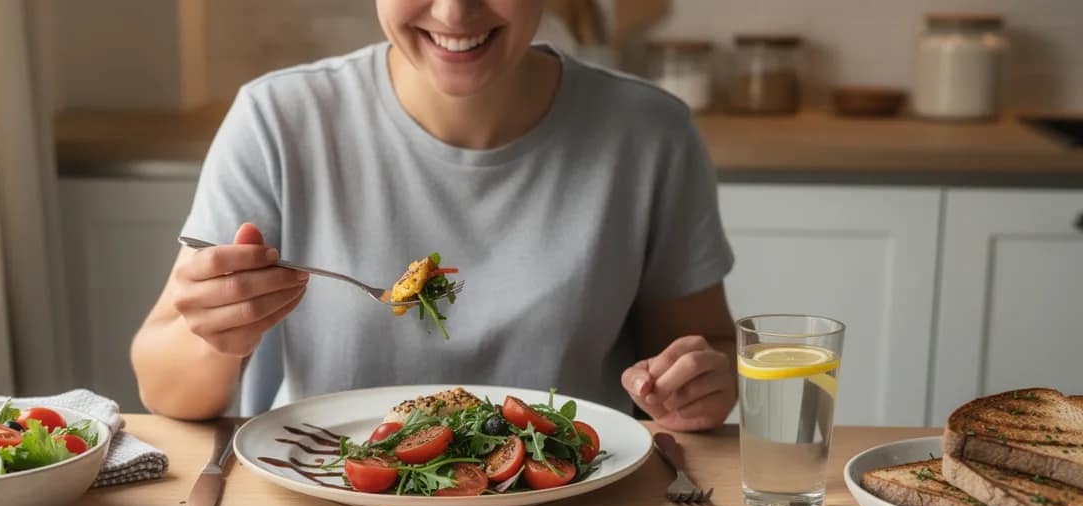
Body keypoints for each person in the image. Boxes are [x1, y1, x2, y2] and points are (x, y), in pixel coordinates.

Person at [132, 0, 738, 432]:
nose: (454, 13)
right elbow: (163, 387)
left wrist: (697, 384)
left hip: (569, 504)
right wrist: (217, 332)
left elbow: (707, 345)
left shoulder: (651, 134)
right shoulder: (278, 121)